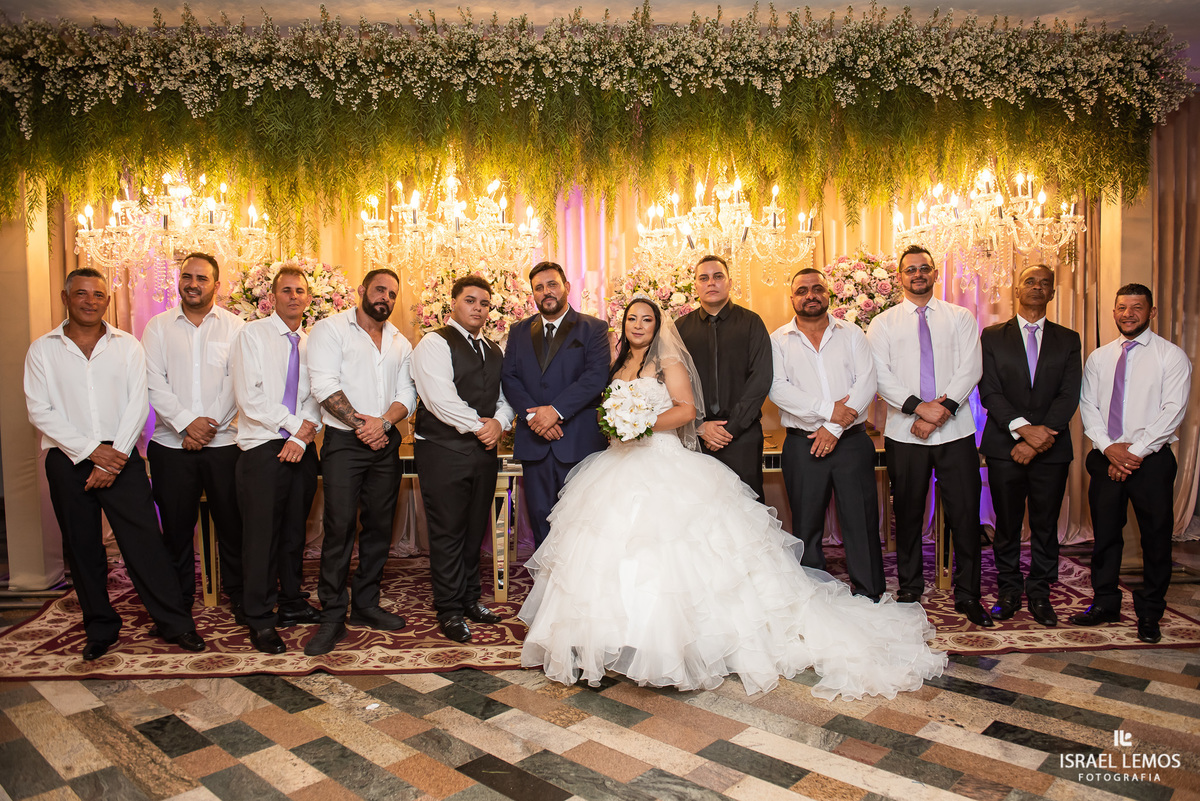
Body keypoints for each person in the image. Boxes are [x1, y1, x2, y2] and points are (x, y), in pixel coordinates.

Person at [520, 294, 946, 699]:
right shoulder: (618, 364)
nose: (638, 325)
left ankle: (678, 644)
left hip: (661, 458)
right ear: (623, 325)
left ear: (658, 326)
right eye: (632, 319)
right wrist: (618, 424)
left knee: (677, 551)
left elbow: (686, 410)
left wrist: (643, 423)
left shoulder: (668, 360)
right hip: (618, 465)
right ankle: (605, 639)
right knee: (607, 548)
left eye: (647, 319)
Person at [24, 267, 206, 660]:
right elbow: (40, 410)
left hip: (121, 456)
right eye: (82, 294)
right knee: (82, 545)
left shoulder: (127, 346)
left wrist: (113, 458)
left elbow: (138, 404)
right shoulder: (43, 349)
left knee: (145, 545)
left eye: (99, 295)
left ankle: (175, 624)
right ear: (65, 297)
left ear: (108, 300)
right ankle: (100, 627)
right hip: (67, 458)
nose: (91, 301)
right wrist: (91, 451)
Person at [865, 246, 991, 626]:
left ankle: (968, 593)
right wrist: (919, 408)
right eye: (910, 270)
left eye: (924, 269)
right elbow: (880, 375)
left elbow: (972, 366)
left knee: (965, 513)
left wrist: (943, 410)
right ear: (899, 277)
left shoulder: (960, 317)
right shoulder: (883, 324)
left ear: (935, 273)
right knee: (907, 513)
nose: (917, 274)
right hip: (906, 433)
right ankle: (909, 588)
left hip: (956, 431)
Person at [303, 268, 416, 656]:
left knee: (379, 527)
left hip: (385, 440)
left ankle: (365, 604)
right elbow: (323, 385)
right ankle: (333, 611)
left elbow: (408, 393)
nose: (385, 297)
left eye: (392, 293)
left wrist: (382, 423)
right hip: (344, 443)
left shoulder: (401, 341)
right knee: (339, 527)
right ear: (362, 290)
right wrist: (361, 424)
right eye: (379, 289)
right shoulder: (330, 329)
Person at [1074, 283, 1191, 644]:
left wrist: (1133, 453)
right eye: (1121, 307)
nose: (1128, 314)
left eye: (1136, 307)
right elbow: (1088, 406)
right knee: (1105, 536)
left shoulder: (1171, 357)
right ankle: (1105, 602)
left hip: (1152, 461)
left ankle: (1151, 610)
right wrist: (1110, 450)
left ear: (1151, 312)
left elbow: (1172, 412)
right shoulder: (1098, 357)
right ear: (1114, 311)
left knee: (1155, 538)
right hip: (1105, 457)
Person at [770, 268, 885, 600]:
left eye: (817, 288)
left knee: (861, 524)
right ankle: (814, 598)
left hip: (851, 442)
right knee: (806, 528)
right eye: (802, 289)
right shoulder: (778, 340)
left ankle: (870, 595)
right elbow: (777, 389)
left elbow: (867, 383)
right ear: (792, 298)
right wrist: (828, 409)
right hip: (801, 445)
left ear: (828, 293)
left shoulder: (852, 334)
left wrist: (834, 428)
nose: (810, 294)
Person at [412, 275, 515, 643]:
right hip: (443, 451)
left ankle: (471, 599)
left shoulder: (494, 349)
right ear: (454, 303)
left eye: (484, 303)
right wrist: (480, 426)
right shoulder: (434, 342)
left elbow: (506, 396)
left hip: (482, 452)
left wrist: (500, 423)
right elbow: (439, 398)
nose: (478, 308)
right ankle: (450, 609)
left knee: (475, 530)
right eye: (470, 300)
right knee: (448, 532)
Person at [142, 252, 245, 619]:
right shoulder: (157, 327)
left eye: (202, 278)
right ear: (178, 280)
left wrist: (205, 428)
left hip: (226, 446)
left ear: (217, 285)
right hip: (171, 446)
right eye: (187, 276)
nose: (193, 283)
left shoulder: (236, 327)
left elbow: (238, 384)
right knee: (175, 530)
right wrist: (186, 425)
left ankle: (241, 598)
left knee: (234, 528)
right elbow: (153, 383)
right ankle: (177, 602)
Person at [979, 265, 1081, 627]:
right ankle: (1008, 591)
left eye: (1045, 283)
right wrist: (1023, 431)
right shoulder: (991, 336)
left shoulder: (1069, 339)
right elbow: (989, 391)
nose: (1037, 287)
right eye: (1030, 282)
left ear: (1053, 293)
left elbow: (1070, 394)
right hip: (1005, 447)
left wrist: (1040, 439)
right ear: (1016, 290)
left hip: (1051, 449)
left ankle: (1039, 592)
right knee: (1005, 523)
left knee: (1045, 523)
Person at [230, 266, 323, 654]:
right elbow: (249, 398)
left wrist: (303, 437)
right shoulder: (251, 335)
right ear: (273, 295)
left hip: (301, 450)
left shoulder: (311, 342)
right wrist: (294, 429)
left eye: (300, 290)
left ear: (308, 298)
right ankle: (260, 617)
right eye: (286, 290)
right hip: (262, 447)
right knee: (261, 538)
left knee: (292, 534)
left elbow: (319, 396)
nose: (294, 296)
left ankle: (291, 603)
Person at [501, 261, 609, 546]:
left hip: (577, 441)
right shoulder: (518, 331)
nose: (546, 292)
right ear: (533, 294)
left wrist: (555, 412)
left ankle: (577, 587)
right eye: (539, 287)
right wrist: (536, 419)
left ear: (567, 288)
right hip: (535, 442)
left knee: (581, 518)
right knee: (540, 516)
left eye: (552, 285)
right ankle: (545, 587)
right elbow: (510, 379)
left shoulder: (593, 328)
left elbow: (595, 377)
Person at [676, 254, 773, 500]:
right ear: (695, 285)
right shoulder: (680, 329)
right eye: (704, 278)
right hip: (696, 436)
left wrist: (731, 429)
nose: (711, 283)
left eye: (718, 277)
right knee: (699, 509)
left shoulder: (752, 323)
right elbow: (671, 383)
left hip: (742, 436)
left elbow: (760, 379)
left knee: (748, 509)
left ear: (729, 283)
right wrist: (698, 426)